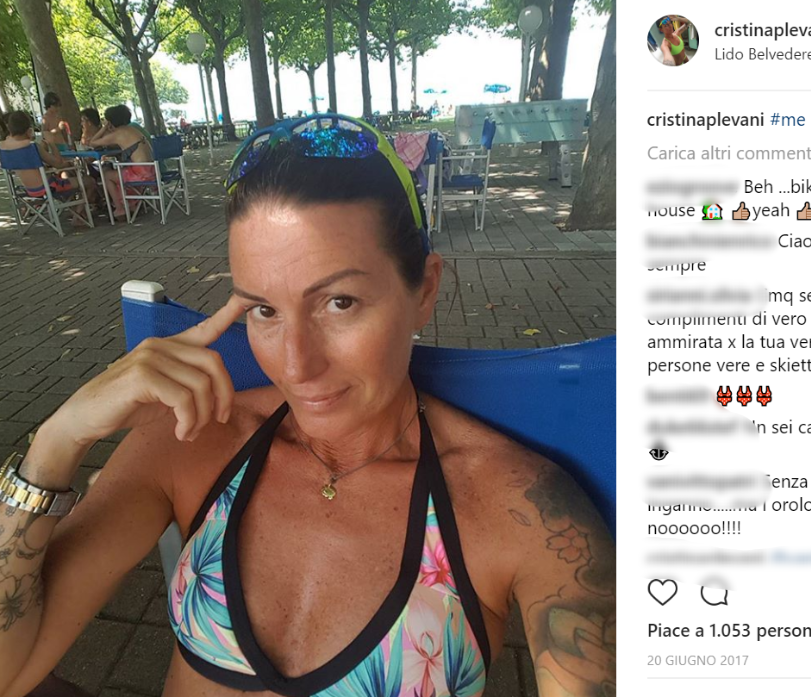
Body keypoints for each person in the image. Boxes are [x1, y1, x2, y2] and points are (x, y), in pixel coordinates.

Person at [0, 114, 615, 697]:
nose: (295, 365)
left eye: (339, 302)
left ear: (425, 288)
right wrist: (58, 440)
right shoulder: (194, 439)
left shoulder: (522, 513)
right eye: (264, 310)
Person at [0, 109, 87, 225]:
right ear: (28, 128)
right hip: (48, 187)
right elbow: (59, 164)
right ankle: (78, 216)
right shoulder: (31, 146)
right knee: (88, 181)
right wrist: (51, 143)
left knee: (63, 178)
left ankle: (75, 212)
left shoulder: (3, 147)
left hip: (28, 190)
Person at [88, 104, 155, 219]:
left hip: (141, 175)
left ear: (110, 121)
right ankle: (131, 205)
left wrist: (104, 127)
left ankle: (120, 209)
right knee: (122, 171)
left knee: (107, 175)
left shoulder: (118, 134)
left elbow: (92, 143)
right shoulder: (133, 130)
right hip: (152, 171)